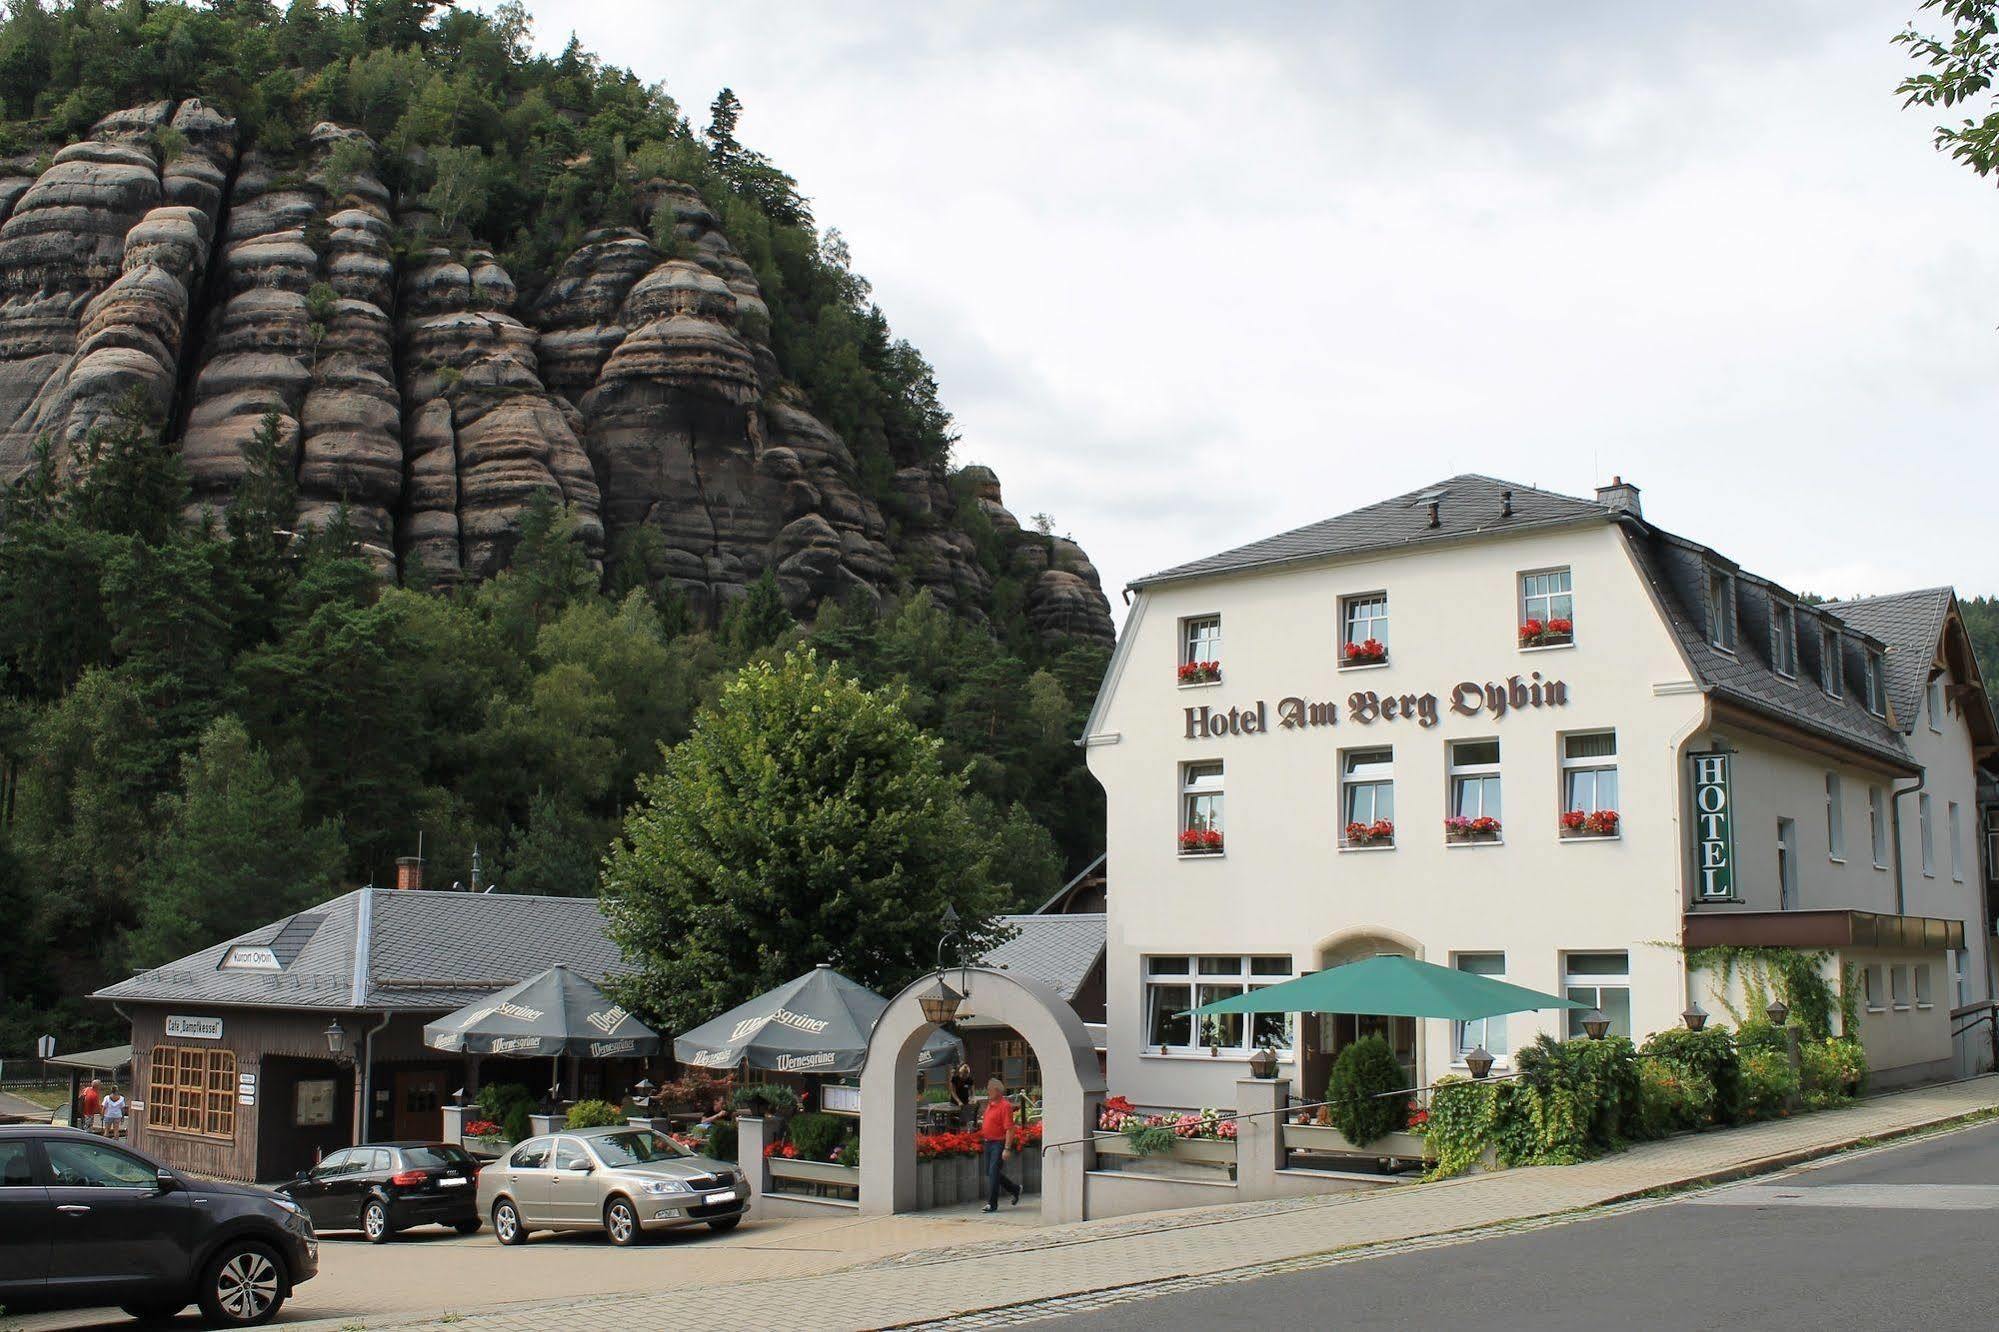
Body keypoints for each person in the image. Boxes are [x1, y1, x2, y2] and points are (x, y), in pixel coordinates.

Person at [979, 1076, 1021, 1213]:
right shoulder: (991, 1104)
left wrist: (1007, 1148)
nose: (988, 1091)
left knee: (993, 1172)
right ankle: (1015, 1189)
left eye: (990, 1089)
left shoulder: (1005, 1106)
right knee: (990, 1172)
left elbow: (1010, 1128)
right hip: (988, 1142)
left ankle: (992, 1204)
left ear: (997, 1091)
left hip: (998, 1142)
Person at [949, 1062, 975, 1128]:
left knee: (964, 1119)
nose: (964, 1077)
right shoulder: (955, 1079)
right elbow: (953, 1092)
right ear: (960, 1073)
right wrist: (958, 1101)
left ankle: (964, 1130)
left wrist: (972, 1099)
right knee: (954, 1119)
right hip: (955, 1102)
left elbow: (973, 1092)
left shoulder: (970, 1080)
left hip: (965, 1101)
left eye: (966, 1076)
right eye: (963, 1076)